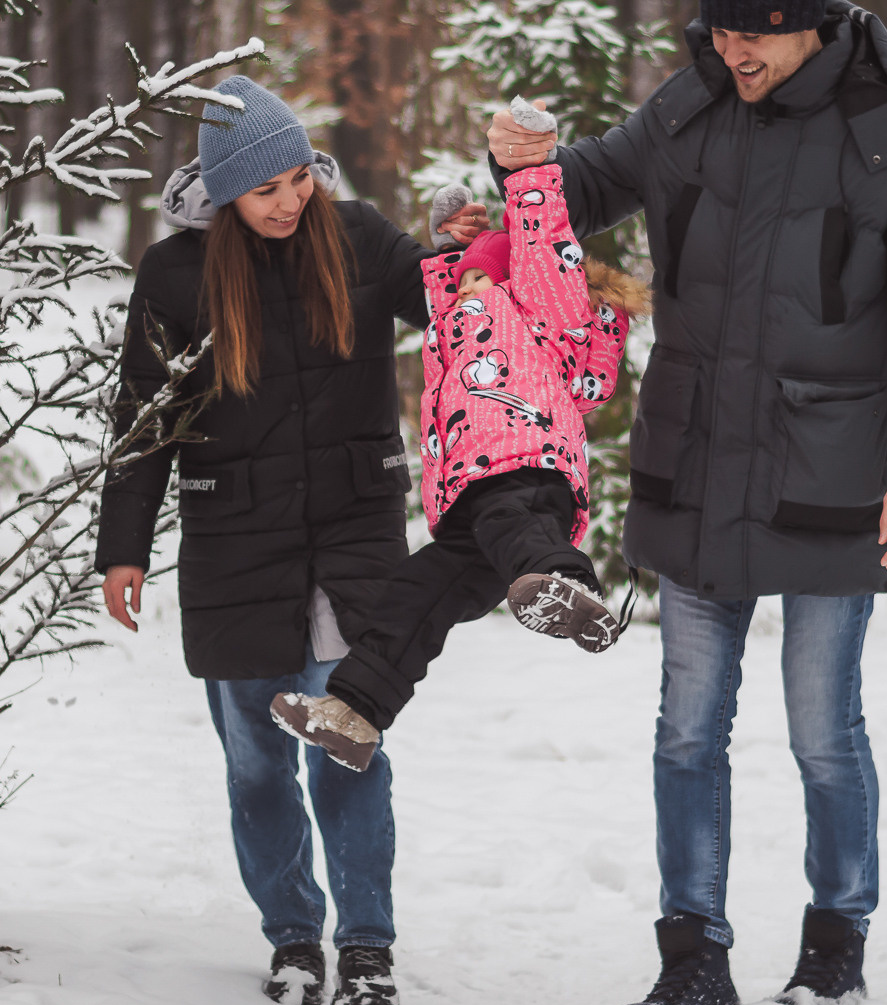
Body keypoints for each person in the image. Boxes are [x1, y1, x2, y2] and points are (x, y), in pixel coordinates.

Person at [484, 0, 887, 1005]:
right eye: (719, 34)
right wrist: (521, 179)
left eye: (755, 36)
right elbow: (590, 185)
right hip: (700, 461)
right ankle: (691, 958)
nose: (735, 55)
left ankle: (835, 942)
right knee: (685, 731)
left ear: (810, 23)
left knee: (822, 729)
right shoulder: (692, 105)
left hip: (832, 474)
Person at [97, 74, 484, 1005]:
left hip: (353, 531)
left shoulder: (355, 236)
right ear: (225, 189)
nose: (288, 200)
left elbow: (445, 303)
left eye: (297, 179)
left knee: (349, 743)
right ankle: (292, 936)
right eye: (265, 188)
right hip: (238, 543)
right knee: (256, 763)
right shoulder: (176, 274)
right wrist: (124, 548)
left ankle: (366, 948)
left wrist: (468, 248)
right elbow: (143, 423)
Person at [268, 159, 652, 772]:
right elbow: (446, 289)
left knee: (507, 520)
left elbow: (567, 322)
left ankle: (567, 586)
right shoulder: (456, 322)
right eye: (466, 283)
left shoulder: (536, 318)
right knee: (414, 596)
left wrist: (528, 179)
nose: (470, 289)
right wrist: (454, 245)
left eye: (483, 280)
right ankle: (354, 712)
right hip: (472, 498)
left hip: (531, 470)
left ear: (512, 283)